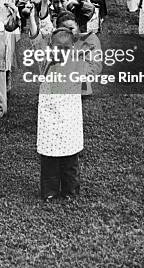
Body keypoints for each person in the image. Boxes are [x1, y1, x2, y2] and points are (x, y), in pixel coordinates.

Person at [37, 28, 102, 201]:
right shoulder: (45, 63)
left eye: (66, 49)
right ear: (50, 47)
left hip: (69, 122)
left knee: (70, 160)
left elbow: (93, 65)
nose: (61, 53)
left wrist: (87, 37)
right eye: (57, 48)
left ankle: (70, 191)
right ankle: (49, 191)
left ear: (73, 48)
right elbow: (36, 41)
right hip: (49, 121)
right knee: (49, 159)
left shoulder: (78, 66)